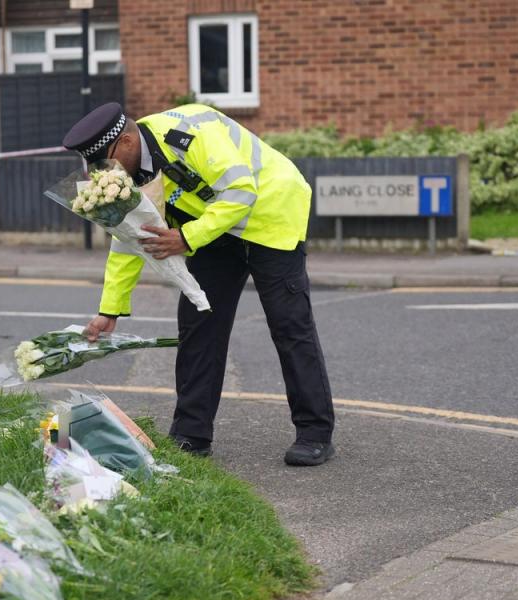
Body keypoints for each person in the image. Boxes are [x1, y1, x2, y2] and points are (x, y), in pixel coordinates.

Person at [62, 102, 335, 465]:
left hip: (270, 211)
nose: (99, 173)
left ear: (126, 142)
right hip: (214, 228)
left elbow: (241, 191)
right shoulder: (125, 170)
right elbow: (130, 237)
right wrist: (110, 309)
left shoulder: (190, 136)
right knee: (198, 326)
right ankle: (191, 434)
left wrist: (187, 238)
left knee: (289, 325)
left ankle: (315, 433)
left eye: (101, 163)